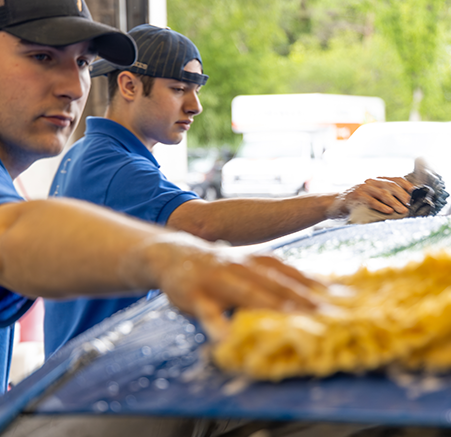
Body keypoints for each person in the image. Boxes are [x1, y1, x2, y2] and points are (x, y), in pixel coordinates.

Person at [0, 2, 323, 436]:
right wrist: (176, 256)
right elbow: (7, 236)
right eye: (41, 56)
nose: (73, 87)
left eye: (83, 62)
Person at [44, 24, 416, 357]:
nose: (195, 106)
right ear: (128, 85)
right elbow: (203, 224)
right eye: (178, 90)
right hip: (95, 378)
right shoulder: (114, 167)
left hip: (84, 367)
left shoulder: (88, 153)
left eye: (195, 90)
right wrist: (335, 202)